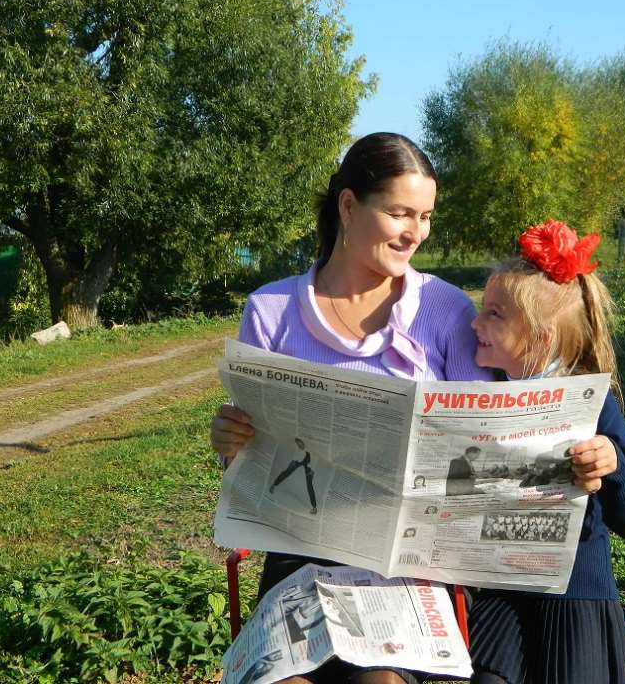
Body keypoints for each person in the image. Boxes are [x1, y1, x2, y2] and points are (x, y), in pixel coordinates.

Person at [210, 132, 494, 684]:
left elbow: (482, 446)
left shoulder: (445, 309)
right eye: (399, 213)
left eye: (426, 217)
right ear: (348, 206)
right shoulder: (271, 311)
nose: (416, 233)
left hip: (407, 563)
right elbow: (250, 470)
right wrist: (232, 443)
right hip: (298, 556)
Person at [467, 219, 625, 684]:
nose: (475, 324)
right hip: (502, 594)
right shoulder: (477, 392)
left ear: (541, 336)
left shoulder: (590, 401)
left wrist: (610, 462)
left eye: (494, 314)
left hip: (576, 594)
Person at [269, 438, 318, 515]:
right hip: (299, 459)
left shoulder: (310, 450)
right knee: (287, 472)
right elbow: (294, 461)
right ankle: (274, 485)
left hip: (308, 461)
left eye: (300, 443)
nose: (300, 445)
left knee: (309, 484)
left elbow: (313, 459)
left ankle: (314, 507)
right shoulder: (298, 452)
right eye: (298, 444)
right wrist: (293, 463)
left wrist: (312, 471)